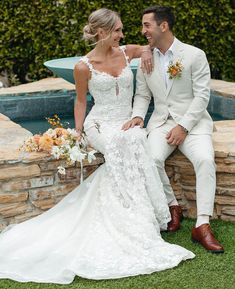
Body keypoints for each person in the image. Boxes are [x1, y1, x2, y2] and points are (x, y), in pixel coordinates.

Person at [0, 8, 194, 284]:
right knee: (118, 145)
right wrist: (78, 132)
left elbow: (148, 46)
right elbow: (80, 101)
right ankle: (133, 218)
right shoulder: (83, 66)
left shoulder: (126, 52)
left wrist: (148, 52)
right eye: (117, 30)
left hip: (125, 121)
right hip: (100, 124)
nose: (122, 35)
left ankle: (152, 213)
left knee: (138, 138)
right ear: (102, 32)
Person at [123, 5, 224, 253]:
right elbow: (143, 95)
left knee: (204, 160)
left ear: (163, 26)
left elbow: (202, 97)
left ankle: (202, 224)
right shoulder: (146, 57)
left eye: (147, 25)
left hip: (193, 122)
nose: (143, 30)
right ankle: (171, 205)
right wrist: (137, 116)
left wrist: (184, 126)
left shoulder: (194, 55)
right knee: (152, 157)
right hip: (161, 122)